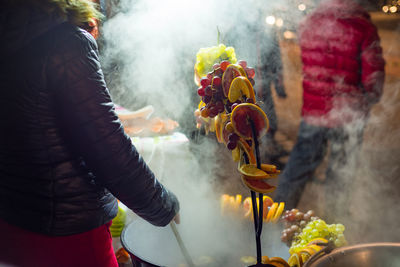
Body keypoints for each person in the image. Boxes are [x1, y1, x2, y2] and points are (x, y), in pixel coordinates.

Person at [0, 1, 179, 266]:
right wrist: (162, 204)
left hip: (12, 226)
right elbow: (107, 146)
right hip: (69, 234)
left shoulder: (8, 37)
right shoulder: (66, 42)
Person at [274, 0, 385, 221]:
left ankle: (276, 218)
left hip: (314, 112)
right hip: (349, 115)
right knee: (341, 175)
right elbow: (373, 76)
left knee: (299, 166)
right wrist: (367, 100)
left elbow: (310, 64)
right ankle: (333, 230)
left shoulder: (310, 21)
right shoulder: (362, 26)